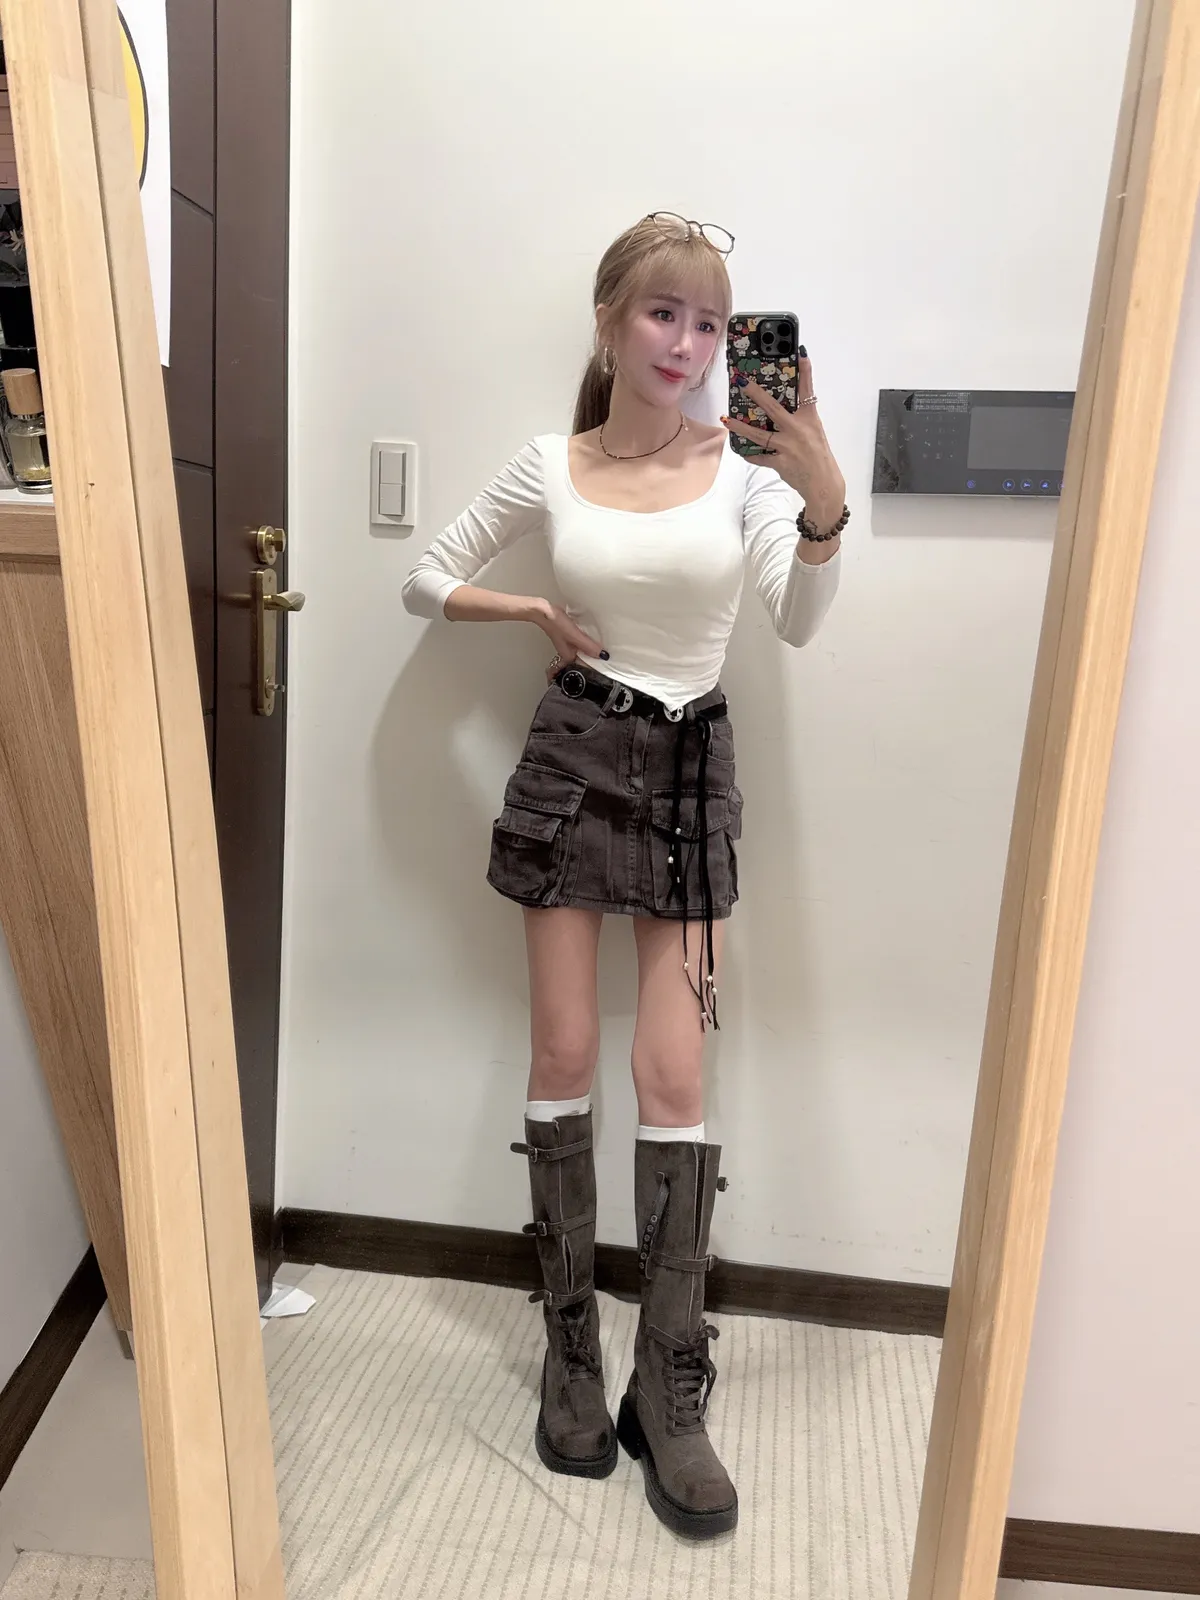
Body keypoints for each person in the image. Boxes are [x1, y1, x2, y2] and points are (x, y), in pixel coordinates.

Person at [401, 211, 846, 1540]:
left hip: (692, 771)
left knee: (674, 1076)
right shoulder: (551, 462)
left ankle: (670, 1378)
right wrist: (531, 609)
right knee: (558, 1053)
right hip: (572, 757)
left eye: (710, 322)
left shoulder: (746, 473)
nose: (689, 344)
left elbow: (797, 620)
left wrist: (823, 498)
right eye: (664, 313)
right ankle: (571, 1356)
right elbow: (425, 578)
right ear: (608, 321)